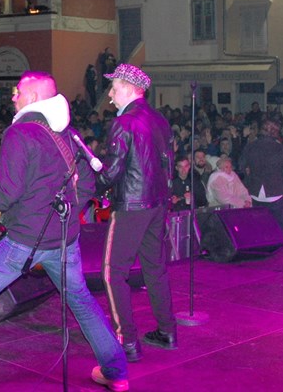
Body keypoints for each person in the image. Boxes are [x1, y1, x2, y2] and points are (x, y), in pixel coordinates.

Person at [0, 71, 127, 392]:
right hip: (63, 239)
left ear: (32, 97)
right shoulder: (67, 134)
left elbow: (5, 194)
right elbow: (88, 181)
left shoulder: (20, 134)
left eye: (18, 91)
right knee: (81, 300)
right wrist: (69, 211)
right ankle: (115, 370)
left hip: (24, 242)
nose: (13, 96)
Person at [97, 63, 176, 361]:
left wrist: (90, 185)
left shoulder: (124, 122)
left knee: (113, 273)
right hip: (157, 204)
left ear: (129, 90)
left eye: (114, 89)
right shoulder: (159, 119)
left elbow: (114, 171)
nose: (110, 96)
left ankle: (126, 340)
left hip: (131, 205)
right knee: (155, 269)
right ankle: (167, 331)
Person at [238, 119, 283, 227]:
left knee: (259, 227)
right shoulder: (279, 148)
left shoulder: (251, 146)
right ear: (275, 132)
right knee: (277, 228)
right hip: (274, 192)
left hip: (256, 192)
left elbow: (241, 166)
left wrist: (249, 175)